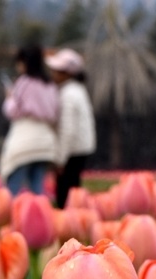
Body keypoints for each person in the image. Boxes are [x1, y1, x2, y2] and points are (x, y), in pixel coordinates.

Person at [0, 44, 59, 196]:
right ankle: (40, 217)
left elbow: (12, 110)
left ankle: (10, 217)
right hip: (45, 143)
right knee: (37, 186)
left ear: (25, 62)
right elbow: (55, 112)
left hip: (25, 143)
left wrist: (9, 97)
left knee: (13, 185)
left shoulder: (24, 83)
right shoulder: (50, 84)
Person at [45, 48, 96, 209]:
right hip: (80, 148)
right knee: (74, 190)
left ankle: (69, 225)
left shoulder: (68, 95)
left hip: (72, 151)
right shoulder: (77, 90)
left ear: (67, 73)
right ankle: (76, 223)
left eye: (57, 71)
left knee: (65, 193)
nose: (53, 74)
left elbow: (67, 129)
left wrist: (60, 159)